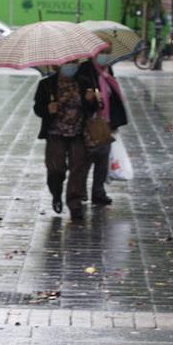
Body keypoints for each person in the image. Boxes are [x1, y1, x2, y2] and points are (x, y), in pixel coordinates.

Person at [32, 61, 100, 222]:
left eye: (74, 63)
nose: (72, 66)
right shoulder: (46, 84)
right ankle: (56, 194)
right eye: (68, 63)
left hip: (79, 133)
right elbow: (38, 108)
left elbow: (94, 108)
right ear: (57, 65)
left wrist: (92, 100)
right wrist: (48, 109)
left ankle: (75, 205)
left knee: (78, 169)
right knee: (56, 168)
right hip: (55, 132)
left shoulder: (84, 82)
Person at [83, 55, 127, 206]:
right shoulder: (86, 70)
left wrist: (114, 122)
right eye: (103, 52)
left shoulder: (107, 71)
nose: (106, 56)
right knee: (87, 157)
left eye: (109, 52)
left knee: (103, 157)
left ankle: (98, 191)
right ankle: (81, 189)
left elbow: (113, 97)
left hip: (106, 122)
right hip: (90, 122)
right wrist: (91, 99)